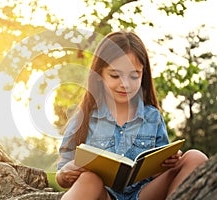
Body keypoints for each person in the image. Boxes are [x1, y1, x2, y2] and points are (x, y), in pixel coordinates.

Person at [55, 30, 208, 200]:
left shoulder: (152, 117)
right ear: (99, 75)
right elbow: (62, 175)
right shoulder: (84, 118)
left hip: (144, 195)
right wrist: (64, 173)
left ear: (143, 75)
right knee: (89, 179)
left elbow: (162, 170)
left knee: (195, 157)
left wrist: (169, 163)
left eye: (134, 76)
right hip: (103, 196)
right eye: (115, 75)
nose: (125, 84)